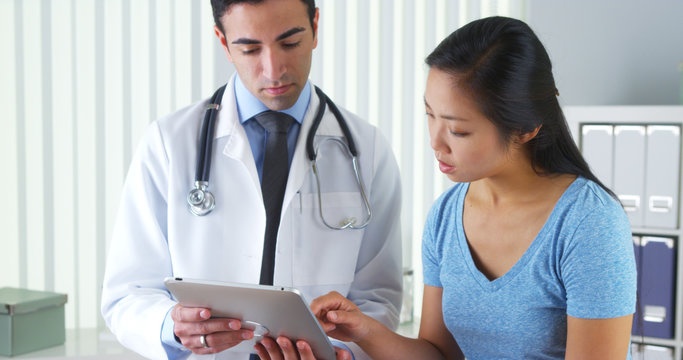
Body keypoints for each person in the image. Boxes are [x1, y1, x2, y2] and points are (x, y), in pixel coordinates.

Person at [309, 16, 637, 360]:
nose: (436, 142)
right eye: (429, 115)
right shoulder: (446, 216)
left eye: (458, 131)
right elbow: (438, 355)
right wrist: (364, 331)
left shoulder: (589, 223)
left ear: (526, 128)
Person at [100, 0, 402, 359]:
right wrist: (172, 326)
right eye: (250, 48)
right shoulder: (169, 144)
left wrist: (339, 353)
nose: (273, 70)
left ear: (316, 26)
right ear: (223, 41)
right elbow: (127, 293)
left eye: (290, 43)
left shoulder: (365, 149)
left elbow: (378, 297)